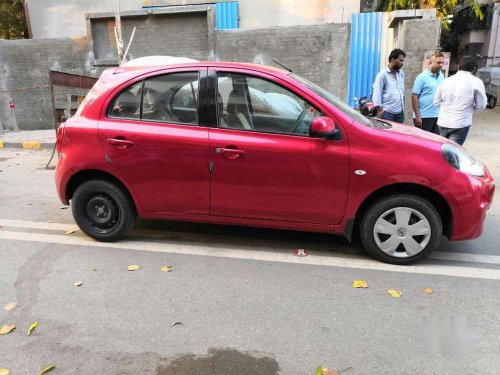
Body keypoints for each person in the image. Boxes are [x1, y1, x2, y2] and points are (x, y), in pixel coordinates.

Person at [433, 56, 487, 146]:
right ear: (474, 69)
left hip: (443, 121)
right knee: (453, 153)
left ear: (458, 66)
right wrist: (469, 108)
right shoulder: (476, 82)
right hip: (461, 123)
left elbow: (436, 102)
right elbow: (481, 104)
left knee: (441, 150)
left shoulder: (446, 81)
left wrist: (448, 107)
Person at [411, 51, 445, 134]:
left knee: (435, 142)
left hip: (437, 116)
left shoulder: (441, 76)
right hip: (424, 116)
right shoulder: (422, 77)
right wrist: (418, 116)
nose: (441, 65)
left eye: (442, 62)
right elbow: (414, 97)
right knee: (423, 143)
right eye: (438, 62)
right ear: (431, 62)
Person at [372, 48, 406, 123]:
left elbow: (402, 91)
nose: (402, 63)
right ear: (393, 60)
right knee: (386, 134)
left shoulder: (401, 74)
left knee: (399, 134)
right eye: (400, 60)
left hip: (400, 113)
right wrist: (380, 110)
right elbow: (377, 94)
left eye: (403, 60)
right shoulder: (382, 75)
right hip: (387, 113)